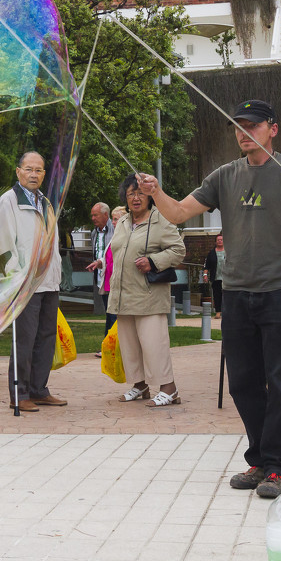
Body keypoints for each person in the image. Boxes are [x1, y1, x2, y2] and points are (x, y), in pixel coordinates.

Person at [137, 99, 281, 497]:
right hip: (237, 295)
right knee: (243, 383)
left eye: (252, 126)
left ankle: (279, 468)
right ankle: (260, 460)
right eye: (238, 127)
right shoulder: (224, 176)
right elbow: (177, 214)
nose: (243, 134)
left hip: (279, 293)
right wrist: (156, 192)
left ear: (272, 129)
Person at [0, 151, 67, 412]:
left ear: (44, 174)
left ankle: (39, 389)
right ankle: (20, 393)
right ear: (18, 171)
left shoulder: (46, 203)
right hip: (26, 283)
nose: (33, 174)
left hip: (49, 282)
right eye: (28, 169)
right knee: (24, 339)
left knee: (45, 338)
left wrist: (56, 274)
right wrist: (16, 279)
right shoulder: (9, 201)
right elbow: (4, 245)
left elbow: (52, 243)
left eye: (38, 170)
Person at [107, 173, 186, 407]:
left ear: (150, 196)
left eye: (140, 192)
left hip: (148, 296)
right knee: (130, 346)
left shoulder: (161, 220)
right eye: (131, 193)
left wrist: (153, 261)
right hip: (123, 295)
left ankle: (169, 389)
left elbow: (178, 251)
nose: (136, 198)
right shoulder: (122, 222)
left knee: (154, 345)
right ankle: (139, 385)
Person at [88, 206, 126, 340]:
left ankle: (111, 345)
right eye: (114, 219)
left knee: (114, 316)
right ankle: (108, 345)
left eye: (116, 219)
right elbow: (109, 257)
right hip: (106, 281)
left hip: (118, 283)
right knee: (110, 315)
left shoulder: (123, 236)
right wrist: (99, 263)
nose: (113, 222)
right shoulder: (99, 234)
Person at [87, 202, 114, 356]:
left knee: (113, 314)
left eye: (95, 215)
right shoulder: (94, 233)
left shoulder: (116, 230)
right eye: (92, 215)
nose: (93, 218)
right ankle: (109, 346)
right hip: (101, 279)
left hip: (113, 277)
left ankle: (108, 346)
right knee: (109, 312)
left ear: (105, 215)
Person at [203, 233, 225, 318]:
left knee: (227, 295)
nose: (220, 241)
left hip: (227, 278)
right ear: (215, 242)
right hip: (216, 278)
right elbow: (207, 265)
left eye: (221, 239)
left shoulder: (228, 252)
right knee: (217, 295)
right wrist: (205, 275)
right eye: (218, 240)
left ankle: (227, 312)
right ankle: (218, 312)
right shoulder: (211, 253)